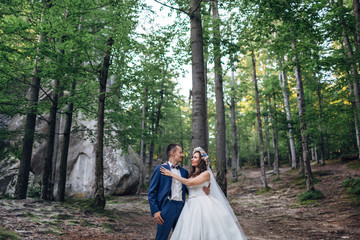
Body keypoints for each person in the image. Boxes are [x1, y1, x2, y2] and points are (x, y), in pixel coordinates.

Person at [160, 146, 247, 240]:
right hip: (190, 206)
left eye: (195, 157)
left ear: (201, 160)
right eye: (192, 157)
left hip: (203, 205)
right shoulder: (189, 174)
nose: (192, 159)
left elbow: (189, 183)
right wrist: (168, 165)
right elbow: (185, 186)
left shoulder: (206, 174)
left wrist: (171, 174)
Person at [148, 143, 189, 240]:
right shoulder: (160, 169)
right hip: (166, 207)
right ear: (172, 153)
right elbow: (151, 192)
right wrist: (155, 211)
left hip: (181, 207)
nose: (182, 155)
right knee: (161, 237)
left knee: (180, 237)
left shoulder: (184, 172)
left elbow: (189, 190)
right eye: (180, 152)